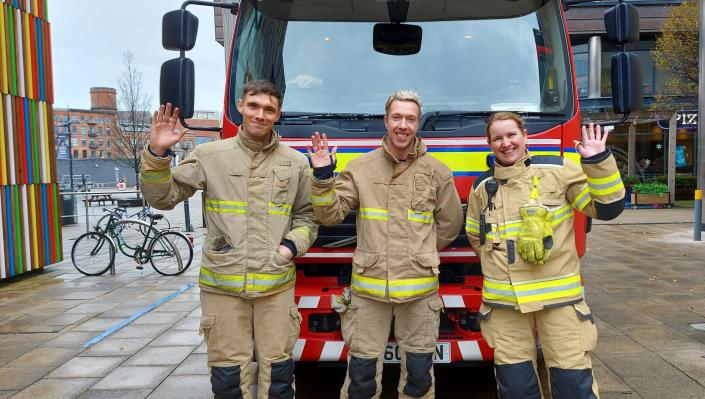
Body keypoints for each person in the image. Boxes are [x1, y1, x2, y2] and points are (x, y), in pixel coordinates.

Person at [140, 80, 318, 399]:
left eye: (268, 109)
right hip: (222, 285)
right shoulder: (209, 156)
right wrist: (157, 153)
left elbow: (307, 216)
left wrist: (290, 247)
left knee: (279, 377)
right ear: (240, 106)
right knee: (227, 380)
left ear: (278, 114)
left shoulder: (295, 163)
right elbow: (163, 198)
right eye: (253, 106)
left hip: (275, 284)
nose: (260, 115)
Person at [307, 90, 463, 399]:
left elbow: (450, 224)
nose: (403, 125)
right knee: (361, 379)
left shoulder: (437, 171)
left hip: (420, 294)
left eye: (410, 118)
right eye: (397, 117)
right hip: (368, 293)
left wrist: (421, 252)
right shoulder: (361, 168)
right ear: (386, 120)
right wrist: (324, 176)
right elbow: (330, 215)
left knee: (419, 378)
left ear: (418, 123)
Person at [465, 112, 625, 398]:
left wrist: (597, 162)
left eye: (511, 135)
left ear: (525, 136)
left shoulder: (559, 170)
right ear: (489, 143)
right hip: (505, 306)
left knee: (572, 385)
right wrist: (499, 265)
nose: (506, 143)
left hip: (560, 304)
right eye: (498, 138)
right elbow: (476, 237)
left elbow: (607, 208)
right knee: (515, 388)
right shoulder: (481, 188)